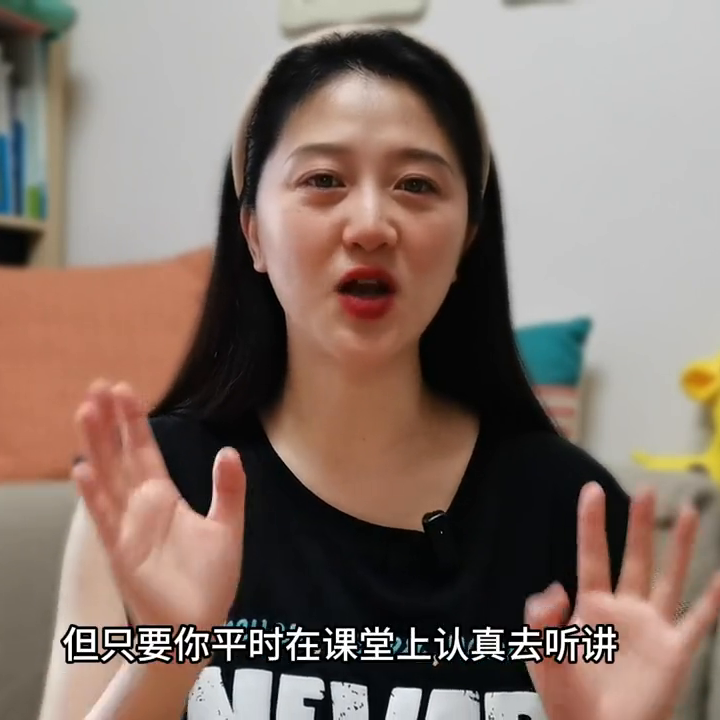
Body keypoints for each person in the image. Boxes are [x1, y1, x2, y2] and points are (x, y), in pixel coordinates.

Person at [38, 25, 720, 720]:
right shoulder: (151, 493)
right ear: (254, 234)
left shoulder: (573, 512)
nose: (370, 224)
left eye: (416, 185)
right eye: (323, 180)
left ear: (468, 241)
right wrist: (167, 661)